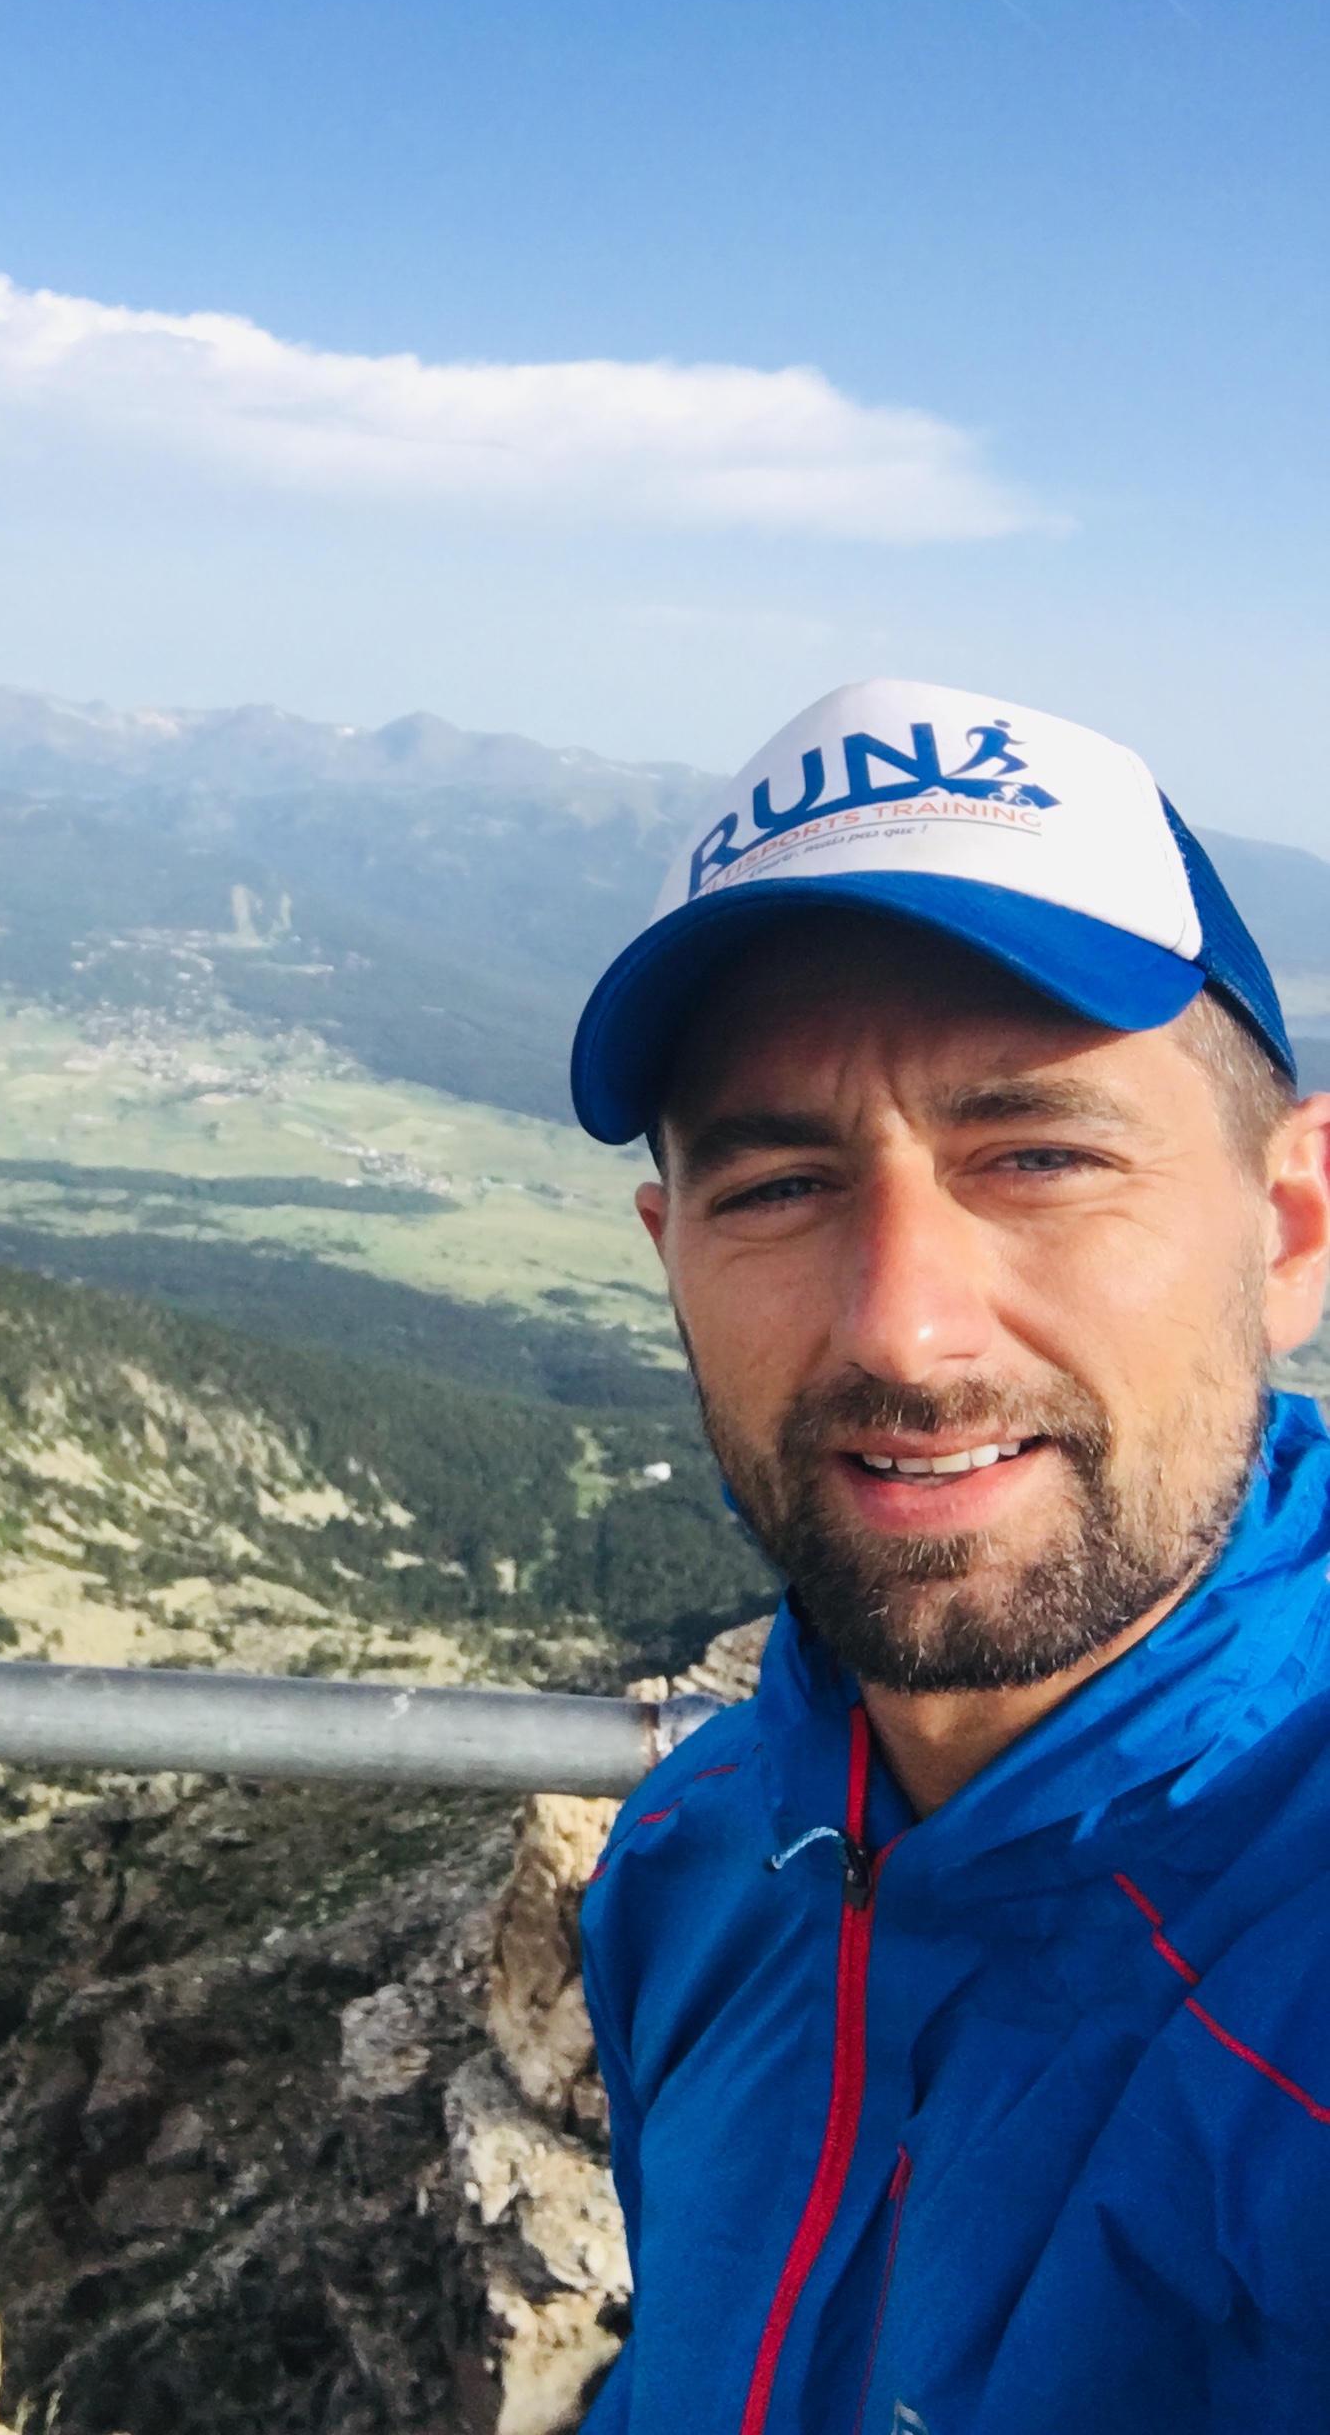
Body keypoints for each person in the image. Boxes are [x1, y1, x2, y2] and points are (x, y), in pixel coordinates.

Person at [568, 678, 1330, 2435]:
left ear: (1289, 1232)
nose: (903, 1330)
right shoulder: (691, 1868)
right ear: (670, 1251)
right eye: (778, 1188)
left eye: (1041, 1156)